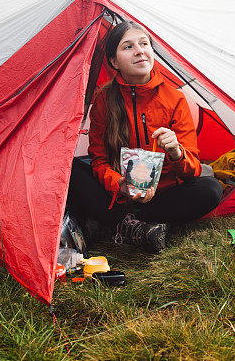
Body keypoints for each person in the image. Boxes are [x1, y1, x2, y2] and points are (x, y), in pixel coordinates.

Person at [66, 21, 223, 253]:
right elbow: (98, 161)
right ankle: (136, 226)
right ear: (113, 61)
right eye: (128, 47)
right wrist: (120, 185)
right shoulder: (103, 100)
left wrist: (176, 152)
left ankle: (120, 224)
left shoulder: (174, 98)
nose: (140, 50)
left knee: (211, 188)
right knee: (69, 169)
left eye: (144, 44)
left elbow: (193, 170)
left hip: (162, 196)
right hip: (118, 195)